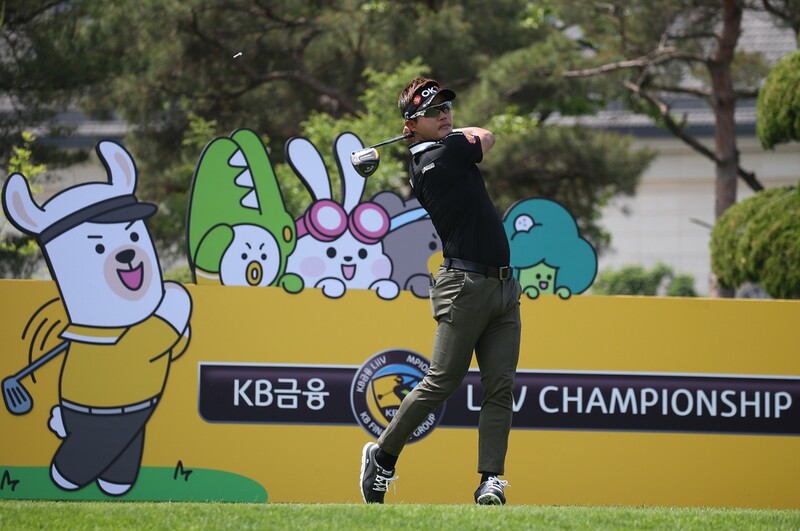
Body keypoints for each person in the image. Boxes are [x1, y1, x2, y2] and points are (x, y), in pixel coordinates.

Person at [359, 77, 522, 505]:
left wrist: (451, 130)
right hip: (464, 286)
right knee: (441, 380)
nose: (444, 115)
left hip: (503, 286)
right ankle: (383, 455)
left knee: (499, 386)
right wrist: (462, 131)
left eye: (446, 108)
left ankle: (490, 480)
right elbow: (486, 135)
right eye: (433, 112)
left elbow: (476, 139)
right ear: (410, 124)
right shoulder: (443, 154)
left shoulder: (437, 149)